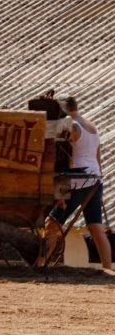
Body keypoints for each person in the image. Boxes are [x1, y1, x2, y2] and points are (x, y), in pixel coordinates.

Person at [43, 95, 111, 271]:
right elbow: (97, 156)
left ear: (64, 110)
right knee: (96, 226)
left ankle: (43, 264)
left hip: (78, 180)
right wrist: (98, 179)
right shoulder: (91, 125)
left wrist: (61, 192)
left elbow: (67, 160)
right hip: (95, 179)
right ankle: (107, 268)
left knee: (52, 222)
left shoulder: (73, 126)